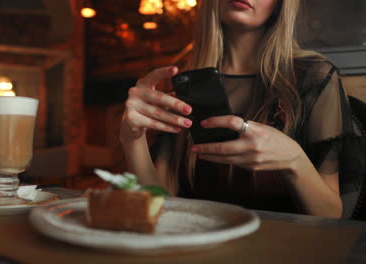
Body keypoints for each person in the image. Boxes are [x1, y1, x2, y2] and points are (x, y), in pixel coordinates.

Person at [119, 0, 365, 218]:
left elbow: (332, 216)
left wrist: (294, 159)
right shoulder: (180, 81)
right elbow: (160, 206)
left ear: (280, 4)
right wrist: (132, 138)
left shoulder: (314, 77)